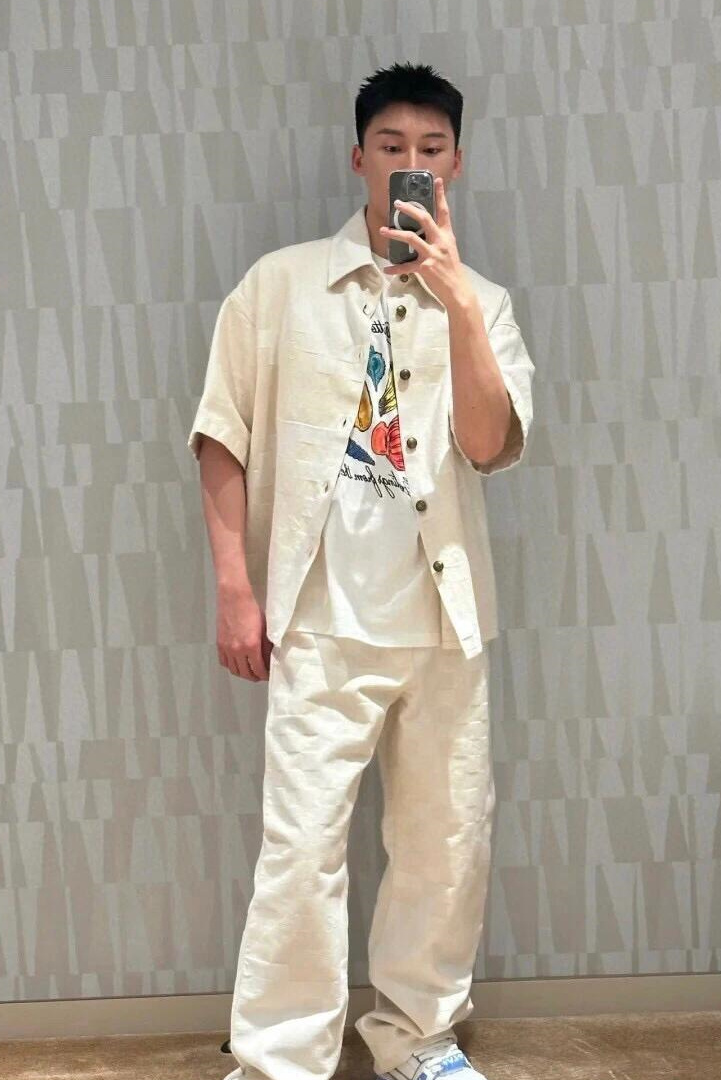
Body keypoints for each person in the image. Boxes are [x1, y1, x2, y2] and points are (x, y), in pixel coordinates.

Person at [189, 61, 535, 1080]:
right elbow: (220, 433)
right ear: (358, 158)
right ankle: (279, 1061)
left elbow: (487, 444)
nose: (409, 163)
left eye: (431, 149)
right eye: (391, 147)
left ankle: (417, 1038)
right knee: (300, 852)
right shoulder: (280, 285)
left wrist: (456, 299)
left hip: (444, 620)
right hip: (318, 619)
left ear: (456, 166)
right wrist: (235, 589)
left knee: (445, 846)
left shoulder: (486, 304)